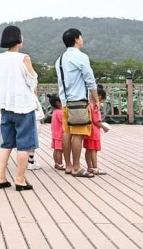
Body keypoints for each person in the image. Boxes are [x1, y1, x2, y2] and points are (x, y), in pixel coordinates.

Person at [0, 25, 39, 191]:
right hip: (23, 106)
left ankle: (1, 178)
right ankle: (20, 179)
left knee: (6, 143)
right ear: (18, 38)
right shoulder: (24, 58)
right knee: (24, 145)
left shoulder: (0, 58)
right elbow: (32, 80)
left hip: (6, 106)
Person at [55, 28, 99, 178]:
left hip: (65, 102)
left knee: (67, 132)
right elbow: (90, 80)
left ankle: (68, 165)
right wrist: (96, 99)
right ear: (76, 39)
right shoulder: (81, 57)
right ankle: (77, 167)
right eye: (81, 37)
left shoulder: (60, 59)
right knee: (78, 135)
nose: (82, 39)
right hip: (79, 101)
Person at [84, 86, 110, 175]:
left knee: (88, 150)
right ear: (99, 97)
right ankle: (95, 168)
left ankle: (89, 167)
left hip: (87, 130)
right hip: (94, 132)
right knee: (94, 150)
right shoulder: (95, 106)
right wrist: (104, 127)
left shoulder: (88, 105)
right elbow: (96, 121)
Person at [47, 94, 65, 170]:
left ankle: (56, 163)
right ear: (58, 103)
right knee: (60, 150)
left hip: (55, 134)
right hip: (60, 134)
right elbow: (63, 122)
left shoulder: (54, 111)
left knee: (56, 149)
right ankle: (60, 164)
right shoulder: (60, 112)